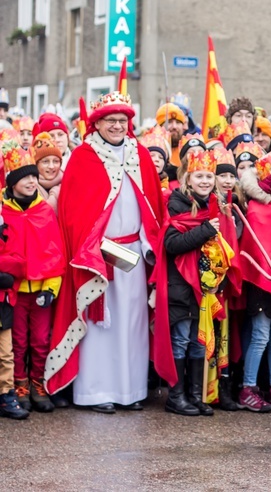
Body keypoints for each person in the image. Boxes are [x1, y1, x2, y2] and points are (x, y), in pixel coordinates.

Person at [44, 91, 165, 413]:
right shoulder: (83, 157)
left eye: (122, 121)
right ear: (97, 123)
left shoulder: (139, 154)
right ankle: (96, 392)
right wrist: (92, 247)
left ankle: (131, 390)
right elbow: (72, 211)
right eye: (110, 121)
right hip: (96, 254)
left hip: (134, 252)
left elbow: (153, 205)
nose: (116, 126)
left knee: (133, 321)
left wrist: (148, 242)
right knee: (101, 324)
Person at [152, 148, 237, 416]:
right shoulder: (176, 204)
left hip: (205, 289)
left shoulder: (215, 205)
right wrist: (204, 230)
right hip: (181, 287)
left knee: (199, 342)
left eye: (209, 176)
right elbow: (172, 244)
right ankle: (176, 397)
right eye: (199, 175)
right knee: (181, 339)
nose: (205, 181)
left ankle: (196, 395)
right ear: (188, 178)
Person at [2, 145, 65, 413]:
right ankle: (19, 384)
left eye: (32, 176)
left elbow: (56, 251)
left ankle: (38, 383)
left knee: (40, 340)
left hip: (41, 290)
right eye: (23, 177)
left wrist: (51, 288)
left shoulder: (44, 211)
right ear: (12, 182)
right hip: (13, 292)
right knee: (17, 342)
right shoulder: (4, 214)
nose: (30, 181)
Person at [238, 152, 271, 412]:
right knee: (260, 337)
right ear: (270, 184)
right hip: (263, 282)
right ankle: (248, 387)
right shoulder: (257, 209)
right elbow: (254, 247)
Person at [0, 191, 29, 419]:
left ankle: (7, 394)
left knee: (5, 353)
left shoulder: (6, 227)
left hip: (3, 302)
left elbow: (18, 261)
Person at [30, 133, 63, 213]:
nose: (51, 166)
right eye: (45, 161)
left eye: (56, 161)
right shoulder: (29, 188)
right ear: (36, 164)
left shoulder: (67, 183)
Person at [138, 125, 172, 201]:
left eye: (161, 157)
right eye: (152, 155)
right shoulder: (136, 183)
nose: (157, 159)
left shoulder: (170, 190)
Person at [156, 102, 188, 169]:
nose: (174, 126)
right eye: (169, 122)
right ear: (159, 126)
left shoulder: (188, 151)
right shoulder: (152, 151)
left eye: (178, 122)